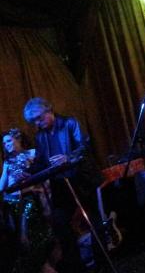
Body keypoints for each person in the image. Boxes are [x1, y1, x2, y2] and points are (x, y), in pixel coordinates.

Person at [23, 98, 101, 271]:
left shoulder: (69, 123)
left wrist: (68, 157)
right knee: (60, 222)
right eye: (34, 121)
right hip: (61, 184)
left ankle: (101, 263)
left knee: (95, 220)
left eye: (39, 118)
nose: (37, 123)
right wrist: (28, 172)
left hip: (82, 179)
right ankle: (77, 267)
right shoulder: (40, 136)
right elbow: (41, 162)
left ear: (49, 110)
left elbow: (84, 147)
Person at [1, 128, 56, 273]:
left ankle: (49, 264)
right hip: (16, 202)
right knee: (27, 239)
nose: (6, 145)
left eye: (8, 141)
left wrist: (29, 171)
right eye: (4, 143)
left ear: (18, 139)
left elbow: (45, 173)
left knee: (45, 235)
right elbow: (2, 186)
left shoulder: (33, 153)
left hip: (37, 198)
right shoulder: (7, 162)